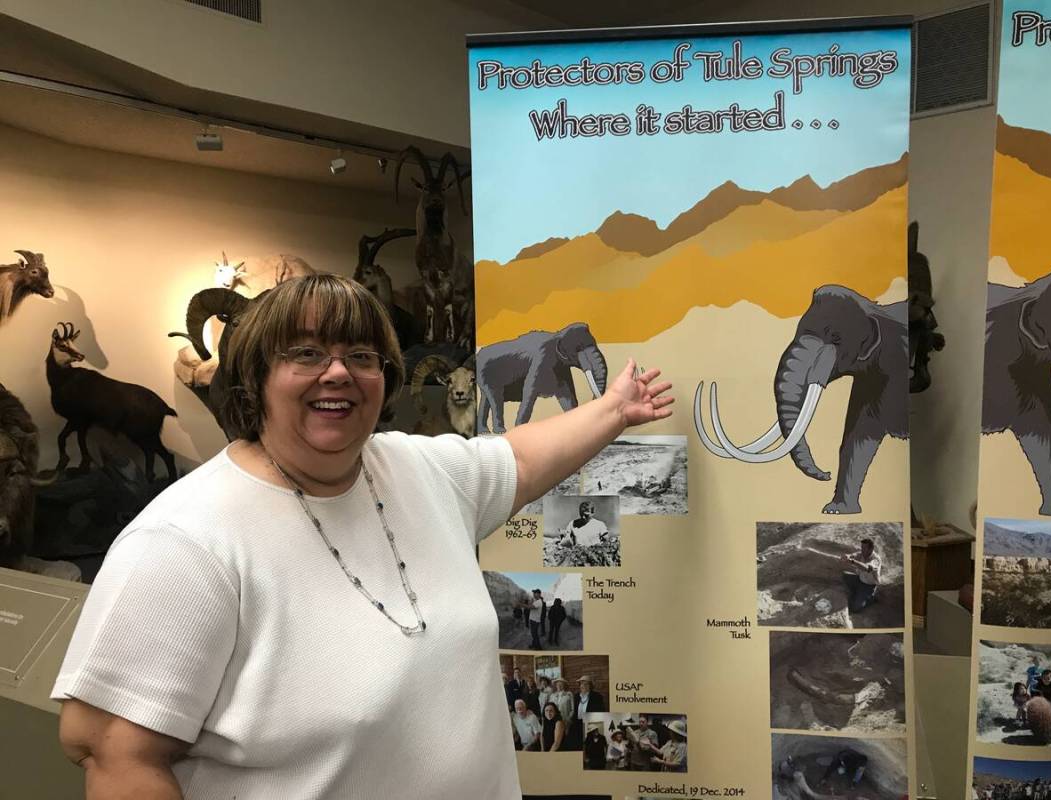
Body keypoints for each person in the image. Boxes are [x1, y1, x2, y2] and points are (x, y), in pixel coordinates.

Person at [50, 274, 674, 799]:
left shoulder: (417, 469)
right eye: (306, 354)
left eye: (362, 355)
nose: (339, 373)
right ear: (253, 378)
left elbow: (522, 458)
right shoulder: (185, 542)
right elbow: (111, 751)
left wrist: (615, 408)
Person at [841, 537, 881, 613]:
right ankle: (857, 592)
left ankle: (871, 598)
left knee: (855, 608)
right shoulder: (862, 553)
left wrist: (852, 561)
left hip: (868, 586)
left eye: (864, 548)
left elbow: (867, 568)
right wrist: (848, 556)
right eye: (861, 547)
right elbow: (855, 554)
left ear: (871, 549)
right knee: (844, 575)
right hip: (859, 579)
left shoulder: (876, 560)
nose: (862, 549)